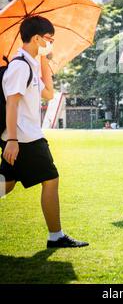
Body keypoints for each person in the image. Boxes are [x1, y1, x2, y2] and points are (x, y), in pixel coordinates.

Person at [0, 16, 89, 248]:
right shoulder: (19, 66)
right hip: (24, 138)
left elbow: (49, 93)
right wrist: (11, 139)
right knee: (51, 179)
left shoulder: (30, 64)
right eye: (49, 39)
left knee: (6, 184)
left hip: (23, 137)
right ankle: (56, 236)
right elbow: (12, 103)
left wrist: (44, 62)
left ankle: (55, 235)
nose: (52, 43)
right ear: (37, 38)